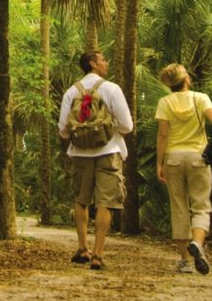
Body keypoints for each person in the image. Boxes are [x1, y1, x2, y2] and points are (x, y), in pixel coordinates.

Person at [57, 51, 134, 271]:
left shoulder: (71, 91)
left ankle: (82, 248)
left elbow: (63, 130)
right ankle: (98, 254)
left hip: (80, 153)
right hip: (108, 151)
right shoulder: (111, 89)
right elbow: (127, 126)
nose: (106, 63)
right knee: (105, 202)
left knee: (81, 200)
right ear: (93, 64)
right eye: (103, 60)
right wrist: (108, 130)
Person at [155, 63, 212, 275]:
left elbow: (163, 135)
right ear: (187, 80)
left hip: (173, 158)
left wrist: (160, 163)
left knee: (179, 206)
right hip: (197, 157)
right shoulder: (200, 98)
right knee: (200, 205)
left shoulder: (164, 102)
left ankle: (185, 260)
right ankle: (198, 244)